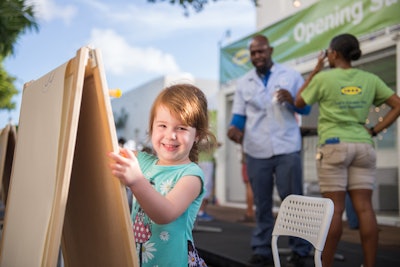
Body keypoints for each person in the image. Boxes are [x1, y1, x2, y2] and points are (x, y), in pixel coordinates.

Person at [294, 33, 400, 267]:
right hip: (363, 144)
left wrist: (315, 71)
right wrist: (374, 130)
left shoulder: (325, 79)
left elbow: (299, 101)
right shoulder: (369, 79)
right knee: (364, 208)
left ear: (334, 53)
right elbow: (397, 104)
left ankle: (326, 265)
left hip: (334, 146)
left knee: (334, 209)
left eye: (329, 53)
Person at [108, 83, 217, 267]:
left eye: (181, 128)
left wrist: (136, 181)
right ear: (151, 127)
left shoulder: (191, 176)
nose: (170, 135)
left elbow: (165, 213)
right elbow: (105, 149)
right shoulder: (142, 162)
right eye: (163, 125)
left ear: (197, 135)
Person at [227, 34, 312, 267]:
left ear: (271, 50)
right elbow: (238, 118)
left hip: (287, 147)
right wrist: (233, 130)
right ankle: (262, 249)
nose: (257, 56)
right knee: (262, 203)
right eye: (253, 53)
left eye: (261, 51)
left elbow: (306, 109)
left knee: (292, 200)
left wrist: (293, 101)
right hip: (256, 150)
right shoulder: (244, 82)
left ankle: (301, 249)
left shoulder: (291, 76)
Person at [197, 140, 217, 221]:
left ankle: (199, 211)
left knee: (202, 186)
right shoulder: (211, 128)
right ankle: (200, 212)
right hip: (205, 161)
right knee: (206, 186)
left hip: (199, 160)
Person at [238, 148, 255, 223]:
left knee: (249, 186)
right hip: (262, 158)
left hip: (249, 158)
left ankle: (249, 213)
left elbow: (233, 136)